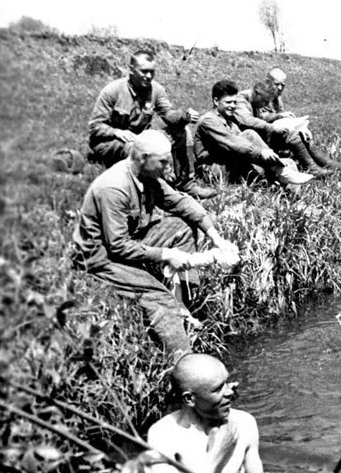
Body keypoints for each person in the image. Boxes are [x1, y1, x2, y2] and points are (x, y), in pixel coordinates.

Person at [71, 131, 237, 361]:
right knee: (158, 298)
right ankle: (186, 366)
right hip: (100, 258)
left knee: (182, 228)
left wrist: (215, 237)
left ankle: (183, 304)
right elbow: (118, 246)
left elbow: (180, 202)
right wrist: (166, 254)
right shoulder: (114, 188)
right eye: (163, 162)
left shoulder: (147, 175)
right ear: (142, 158)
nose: (168, 167)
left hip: (127, 242)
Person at [147, 353, 281, 473]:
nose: (230, 392)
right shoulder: (163, 435)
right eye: (218, 389)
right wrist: (217, 456)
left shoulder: (244, 423)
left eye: (226, 383)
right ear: (189, 399)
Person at [88, 48, 216, 200]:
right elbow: (95, 126)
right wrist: (117, 132)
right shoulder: (113, 90)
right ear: (131, 70)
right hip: (109, 142)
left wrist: (184, 117)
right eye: (144, 71)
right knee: (136, 148)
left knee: (183, 131)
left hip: (140, 138)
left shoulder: (156, 90)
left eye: (152, 72)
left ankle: (186, 183)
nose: (148, 76)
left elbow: (169, 115)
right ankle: (153, 193)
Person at [194, 80, 313, 186]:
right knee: (249, 135)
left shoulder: (229, 121)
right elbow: (234, 142)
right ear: (216, 101)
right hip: (213, 170)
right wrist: (261, 152)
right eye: (228, 102)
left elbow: (242, 144)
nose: (233, 106)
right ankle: (279, 171)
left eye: (235, 102)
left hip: (229, 163)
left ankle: (282, 176)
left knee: (278, 167)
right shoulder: (208, 121)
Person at [235, 68, 341, 177]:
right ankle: (313, 168)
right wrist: (272, 127)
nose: (264, 105)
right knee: (289, 135)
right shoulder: (241, 99)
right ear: (257, 93)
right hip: (247, 142)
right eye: (264, 101)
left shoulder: (257, 99)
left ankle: (323, 165)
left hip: (260, 136)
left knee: (298, 134)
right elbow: (247, 121)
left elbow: (262, 118)